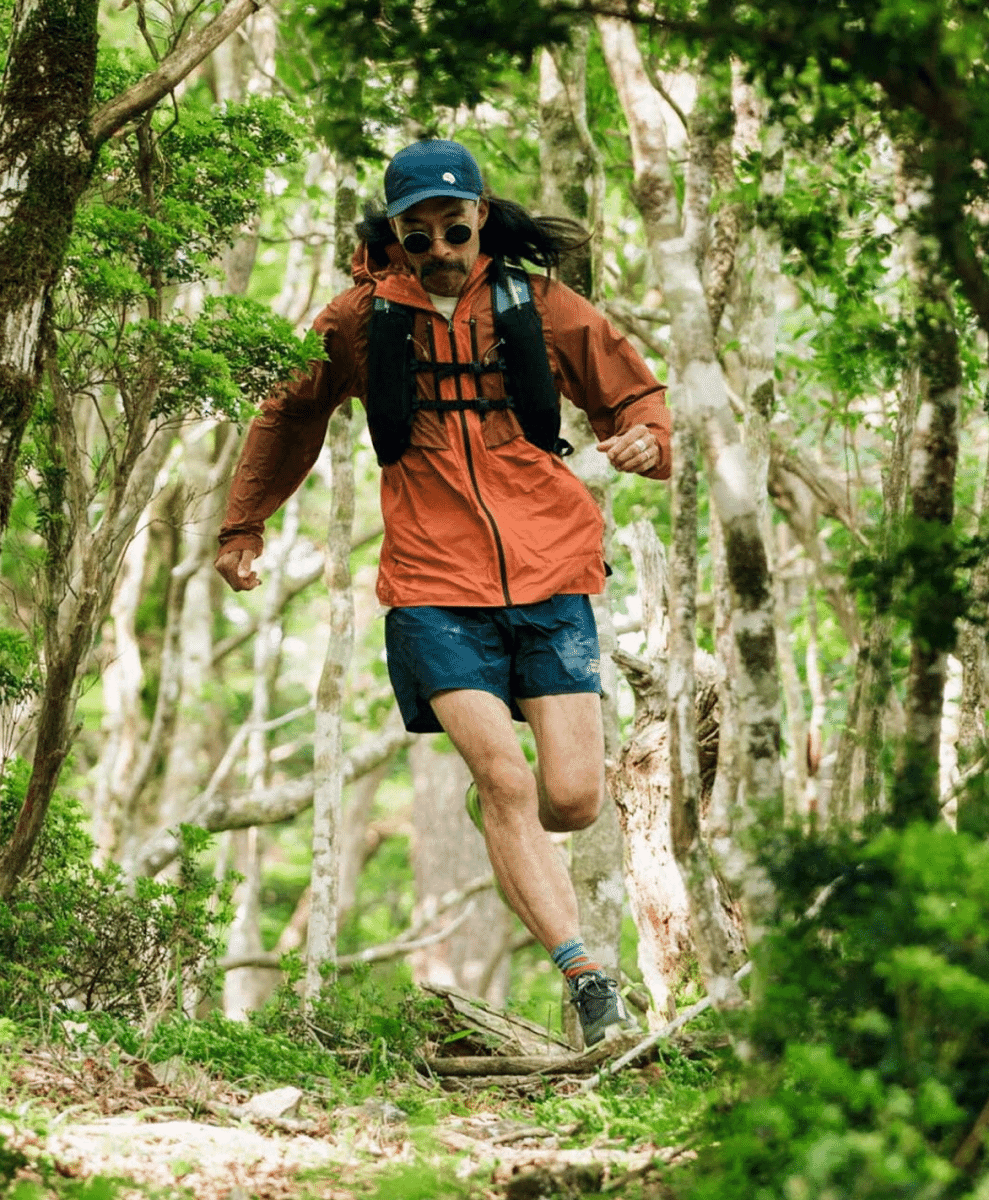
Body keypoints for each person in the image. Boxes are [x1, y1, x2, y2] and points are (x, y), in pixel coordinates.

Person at [215, 139, 671, 1048]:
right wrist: (243, 524)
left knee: (571, 800)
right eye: (414, 233)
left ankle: (502, 812)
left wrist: (646, 440)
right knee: (503, 776)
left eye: (451, 227)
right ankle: (589, 988)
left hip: (554, 569)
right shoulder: (355, 319)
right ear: (393, 234)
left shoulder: (538, 305)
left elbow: (637, 397)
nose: (436, 247)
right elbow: (290, 413)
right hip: (430, 580)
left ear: (479, 218)